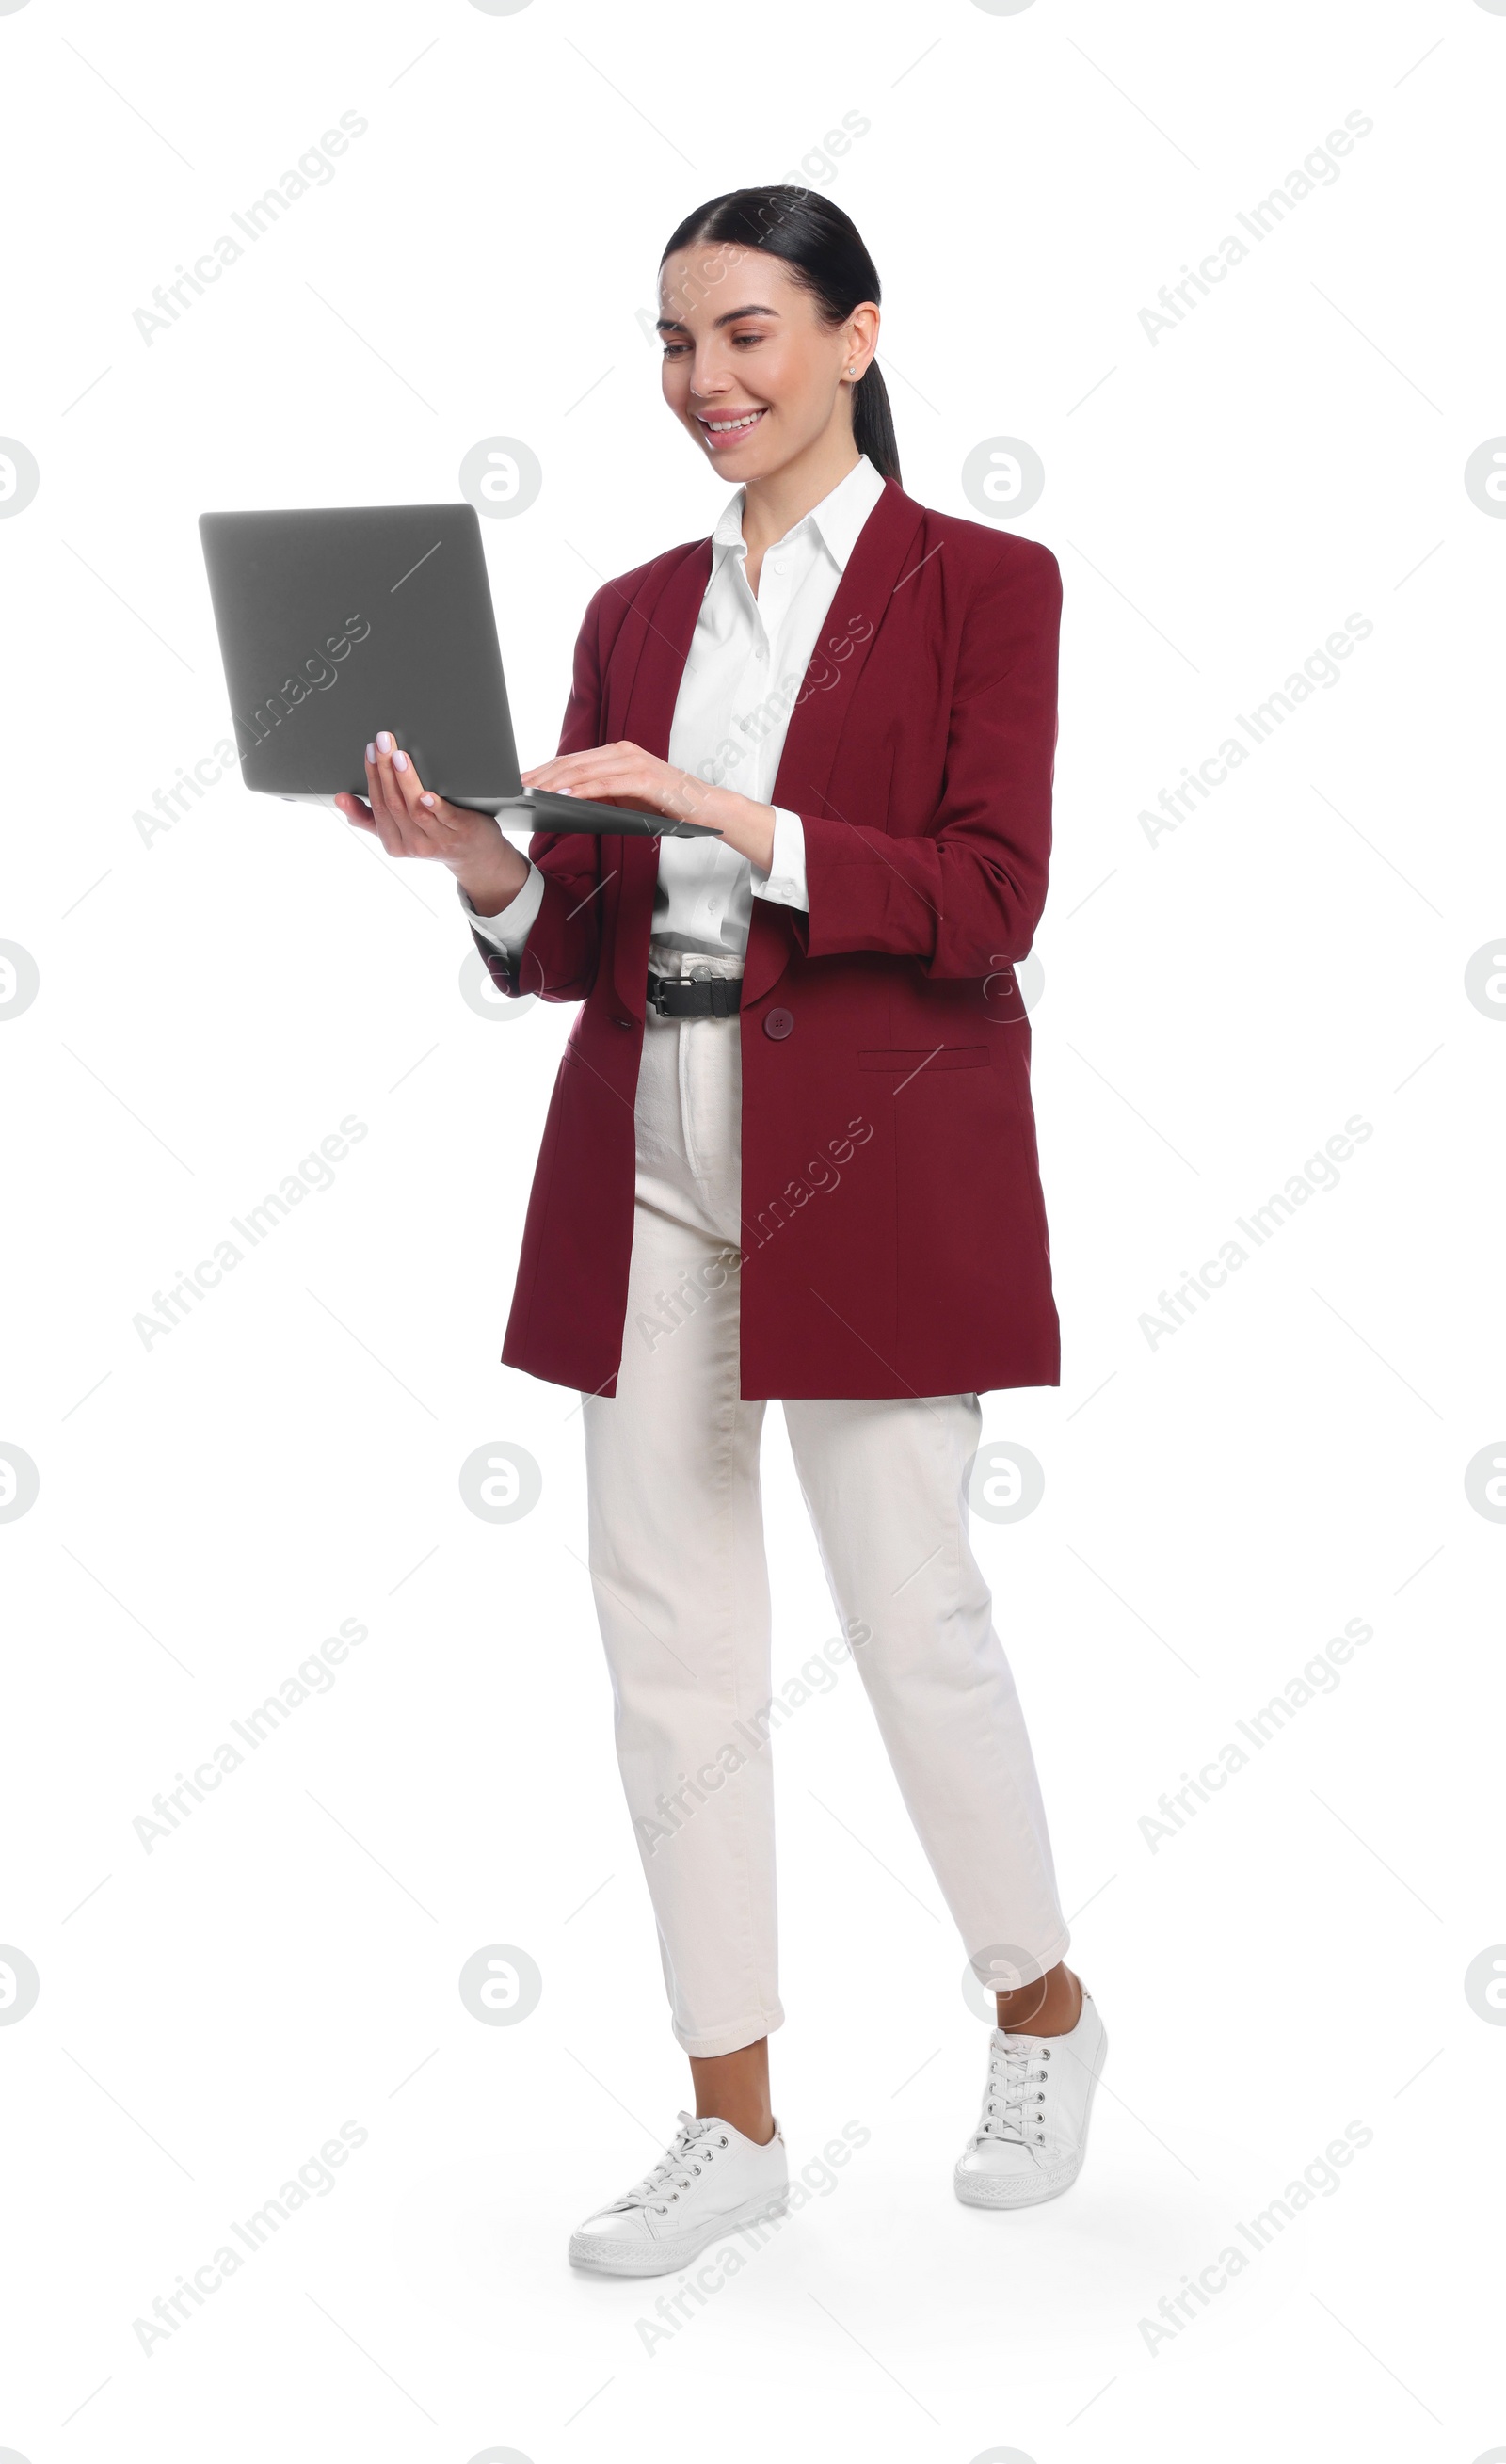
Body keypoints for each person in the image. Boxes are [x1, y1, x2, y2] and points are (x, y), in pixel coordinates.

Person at [338, 186, 1107, 2277]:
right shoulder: (623, 610)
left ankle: (1038, 2007)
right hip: (647, 1151)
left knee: (909, 1617)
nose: (708, 382)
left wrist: (714, 813)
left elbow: (982, 899)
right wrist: (477, 860)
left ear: (859, 337)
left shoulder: (982, 587)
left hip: (869, 1156)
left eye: (750, 333)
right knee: (669, 1653)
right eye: (675, 342)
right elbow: (562, 943)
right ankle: (730, 2112)